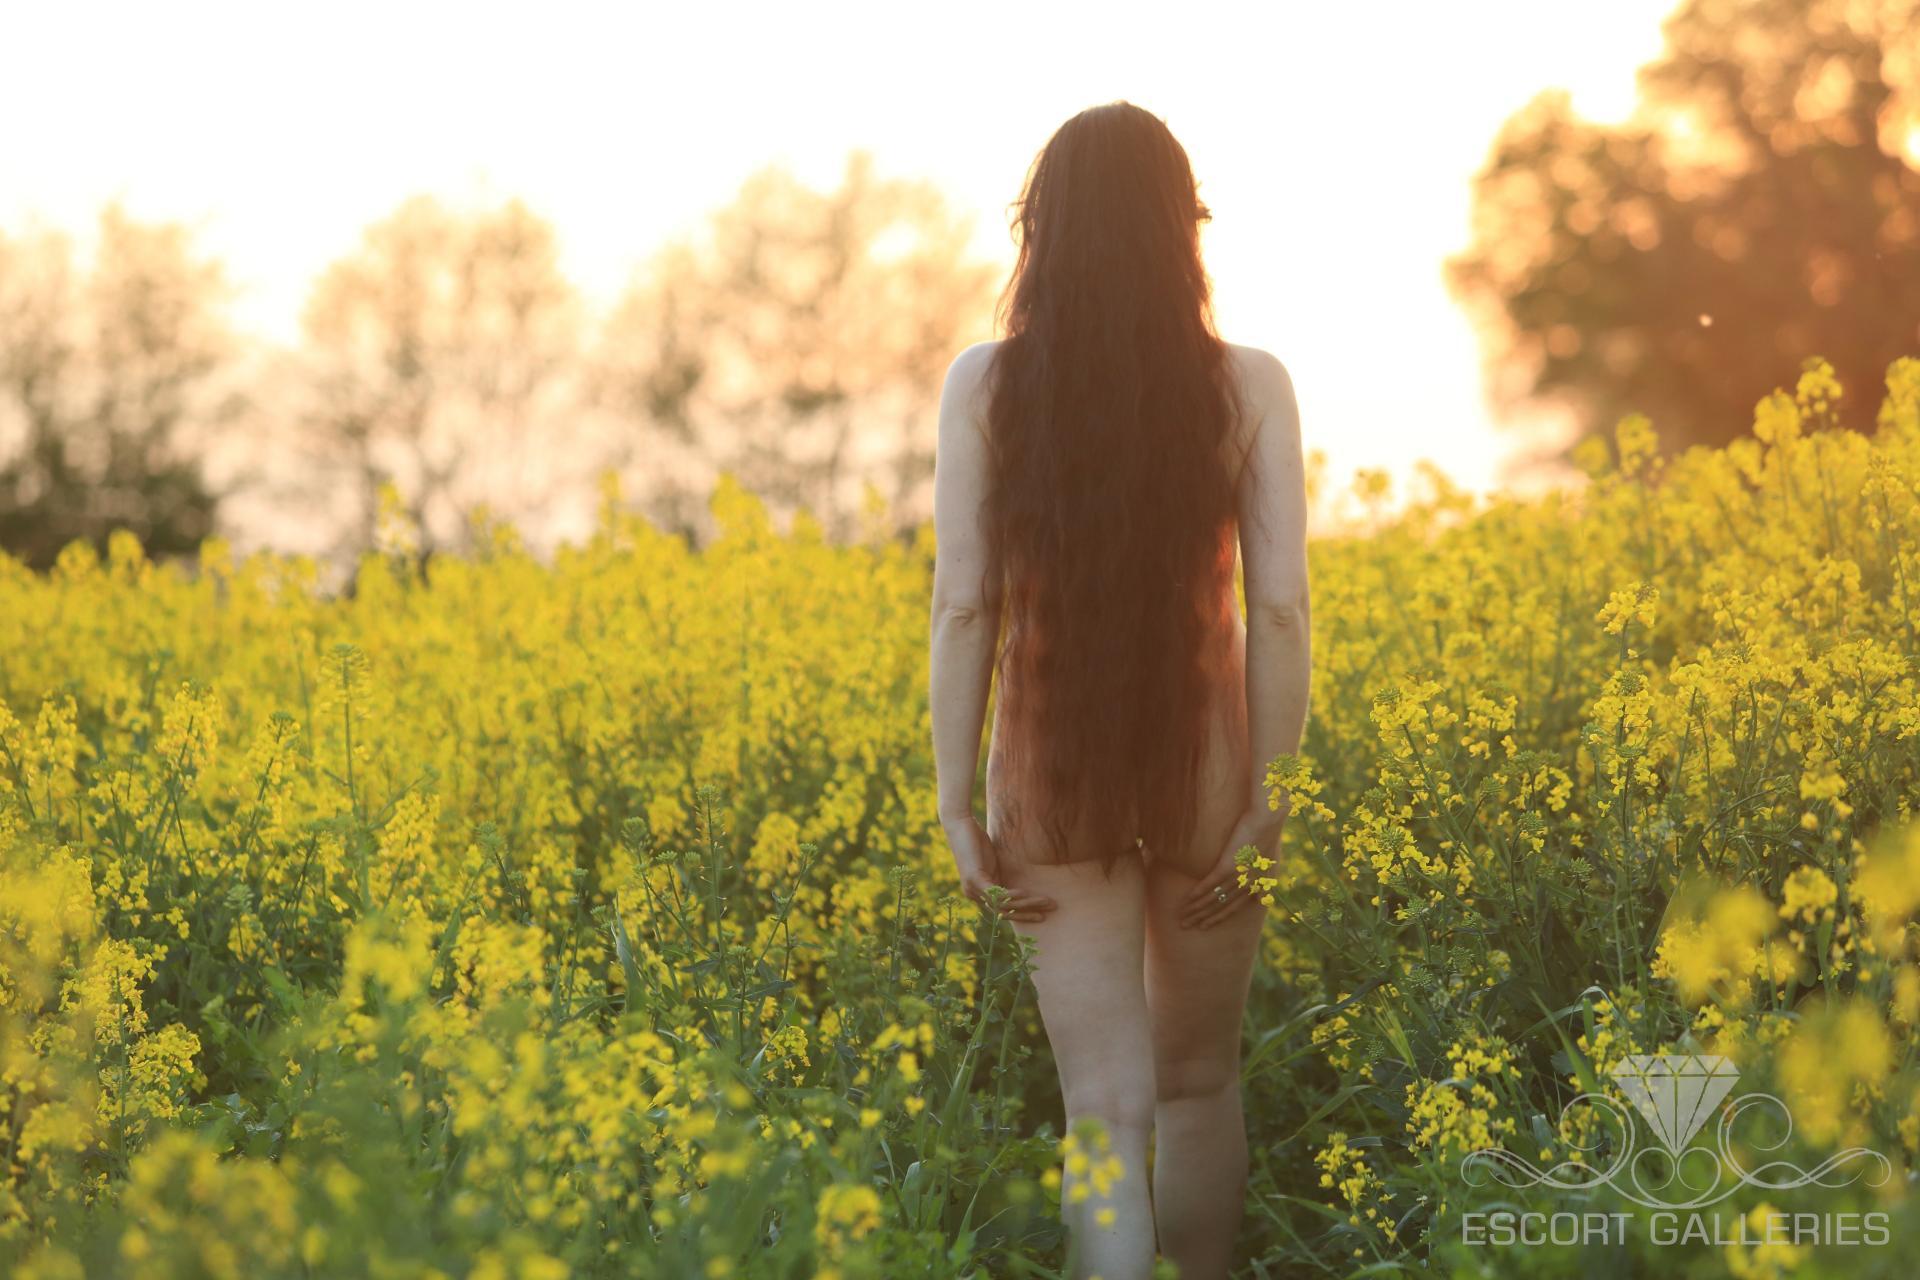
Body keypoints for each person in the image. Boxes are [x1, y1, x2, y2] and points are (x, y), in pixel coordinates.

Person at [928, 101, 1311, 1280]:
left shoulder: (986, 385)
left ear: (1041, 229)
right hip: (1209, 766)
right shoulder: (1250, 385)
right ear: (1180, 226)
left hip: (1052, 764)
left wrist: (955, 800)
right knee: (1198, 1080)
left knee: (1102, 1104)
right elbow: (1281, 606)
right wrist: (1270, 797)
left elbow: (964, 605)